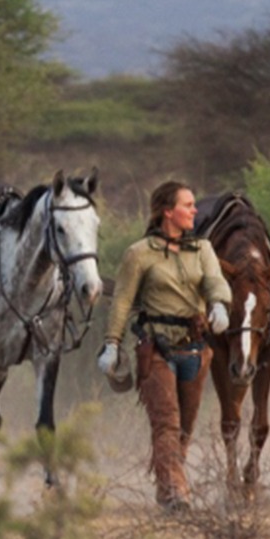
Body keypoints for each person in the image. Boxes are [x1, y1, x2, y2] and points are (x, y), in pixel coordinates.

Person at [97, 181, 232, 511]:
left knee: (184, 427)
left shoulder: (202, 249)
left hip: (196, 348)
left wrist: (219, 305)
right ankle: (176, 492)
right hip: (155, 349)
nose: (194, 211)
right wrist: (112, 344)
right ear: (167, 212)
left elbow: (215, 280)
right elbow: (123, 301)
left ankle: (168, 484)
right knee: (166, 422)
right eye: (187, 205)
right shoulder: (139, 253)